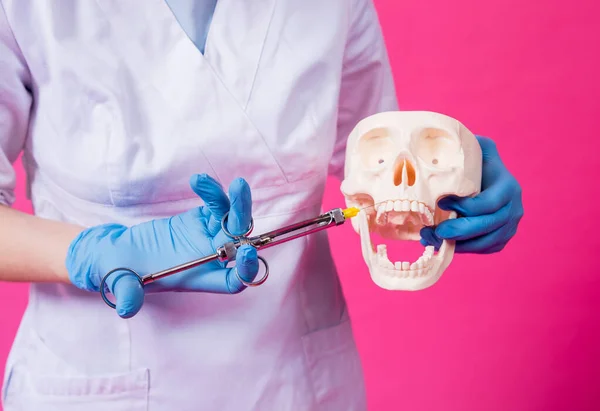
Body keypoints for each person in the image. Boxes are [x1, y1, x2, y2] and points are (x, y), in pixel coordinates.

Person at [0, 0, 524, 410]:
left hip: (296, 383)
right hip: (99, 382)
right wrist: (92, 251)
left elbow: (380, 177)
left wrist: (456, 194)